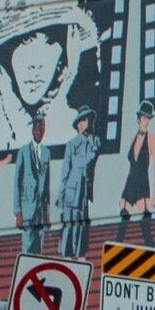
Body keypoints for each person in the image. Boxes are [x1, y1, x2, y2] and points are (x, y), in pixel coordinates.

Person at [55, 107, 99, 256]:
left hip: (84, 191)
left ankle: (77, 254)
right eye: (79, 121)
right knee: (68, 225)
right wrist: (60, 195)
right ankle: (65, 255)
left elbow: (92, 158)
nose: (81, 124)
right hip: (71, 191)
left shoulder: (94, 141)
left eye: (84, 120)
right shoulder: (72, 144)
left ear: (89, 121)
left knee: (80, 225)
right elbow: (65, 172)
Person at [13, 112, 56, 260]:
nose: (40, 131)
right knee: (27, 246)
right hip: (27, 207)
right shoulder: (23, 152)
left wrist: (48, 212)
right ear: (32, 130)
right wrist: (17, 211)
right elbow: (17, 183)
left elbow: (47, 183)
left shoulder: (46, 152)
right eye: (37, 128)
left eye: (42, 128)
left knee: (39, 247)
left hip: (41, 209)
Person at [117, 109, 155, 244]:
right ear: (139, 119)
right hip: (130, 184)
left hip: (142, 184)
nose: (146, 121)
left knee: (145, 225)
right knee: (123, 222)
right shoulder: (132, 138)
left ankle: (153, 253)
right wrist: (122, 193)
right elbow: (129, 167)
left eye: (148, 118)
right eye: (144, 118)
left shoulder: (151, 138)